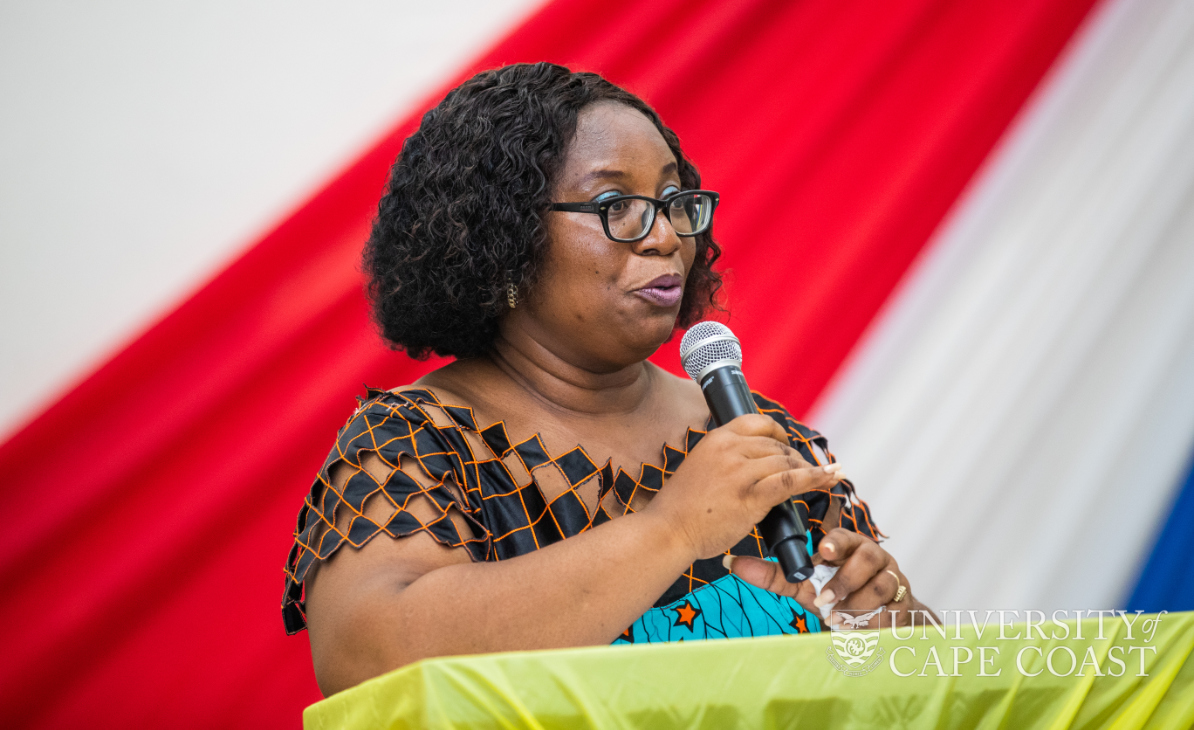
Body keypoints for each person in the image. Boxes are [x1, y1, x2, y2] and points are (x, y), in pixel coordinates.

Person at [282, 62, 931, 696]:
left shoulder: (750, 432)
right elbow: (369, 657)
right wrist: (671, 530)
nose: (664, 238)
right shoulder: (416, 439)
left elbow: (914, 680)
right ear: (502, 236)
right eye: (616, 204)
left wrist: (890, 620)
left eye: (674, 202)